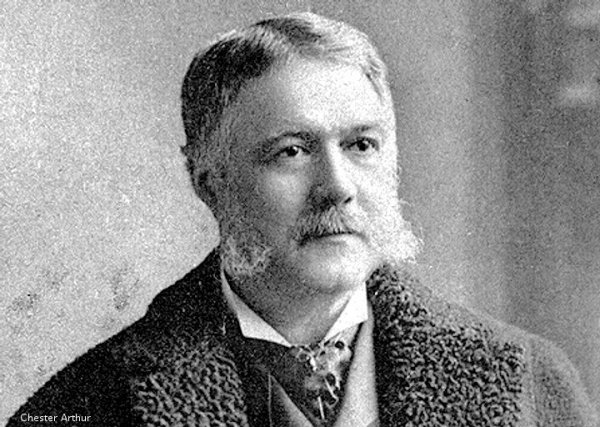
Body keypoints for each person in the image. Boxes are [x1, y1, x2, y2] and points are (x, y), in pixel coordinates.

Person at [9, 12, 597, 427]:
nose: (337, 186)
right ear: (208, 180)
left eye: (361, 145)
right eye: (291, 151)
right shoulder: (88, 404)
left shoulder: (529, 384)